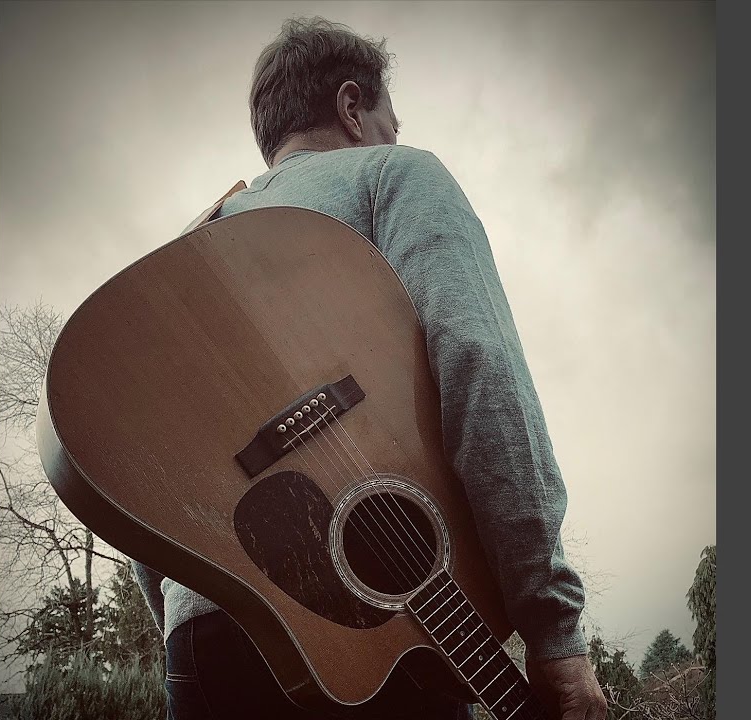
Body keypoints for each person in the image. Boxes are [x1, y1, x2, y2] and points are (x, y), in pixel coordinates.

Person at [133, 16, 607, 720]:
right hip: (378, 638)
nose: (395, 135)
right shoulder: (393, 173)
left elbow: (139, 481)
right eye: (392, 121)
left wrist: (188, 618)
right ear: (352, 107)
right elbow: (480, 368)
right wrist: (553, 629)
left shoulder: (180, 257)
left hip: (206, 645)